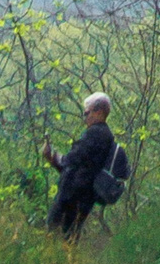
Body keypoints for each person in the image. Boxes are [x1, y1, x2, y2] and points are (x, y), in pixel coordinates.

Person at [43, 91, 117, 237]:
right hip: (82, 197)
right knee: (69, 237)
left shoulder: (96, 133)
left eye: (87, 113)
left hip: (74, 196)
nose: (85, 118)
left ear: (99, 112)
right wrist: (55, 160)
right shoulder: (104, 134)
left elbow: (72, 160)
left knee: (56, 234)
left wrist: (53, 156)